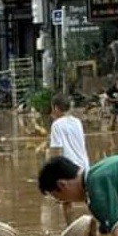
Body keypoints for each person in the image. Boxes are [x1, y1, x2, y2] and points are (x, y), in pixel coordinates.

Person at [48, 93, 90, 225]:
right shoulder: (77, 122)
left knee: (66, 202)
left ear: (55, 108)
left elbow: (56, 150)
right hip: (84, 166)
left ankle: (71, 230)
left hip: (68, 168)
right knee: (88, 198)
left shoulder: (57, 125)